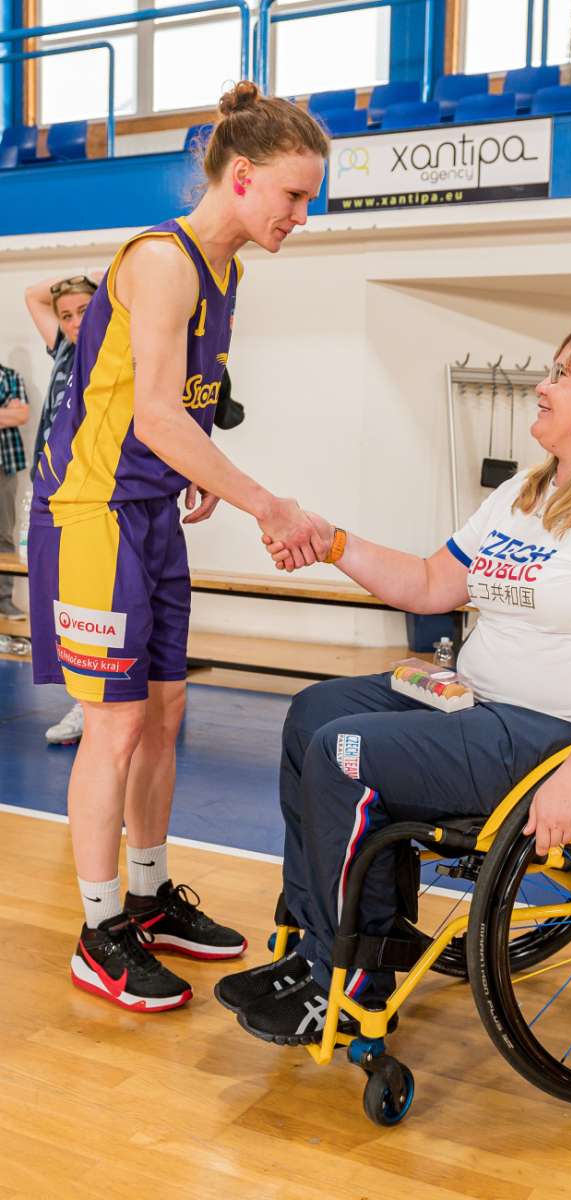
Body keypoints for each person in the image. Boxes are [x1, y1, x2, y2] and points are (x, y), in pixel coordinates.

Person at [216, 322, 571, 1046]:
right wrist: (332, 542)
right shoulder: (528, 491)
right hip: (479, 706)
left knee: (343, 751)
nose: (541, 386)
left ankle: (348, 980)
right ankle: (314, 942)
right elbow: (430, 584)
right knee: (313, 712)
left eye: (562, 375)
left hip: (561, 733)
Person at [27, 81, 330, 1012]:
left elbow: (175, 406)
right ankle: (98, 932)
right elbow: (155, 413)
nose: (301, 215)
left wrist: (196, 463)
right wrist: (265, 504)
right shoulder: (163, 260)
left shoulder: (227, 271)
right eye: (293, 194)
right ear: (241, 177)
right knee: (115, 725)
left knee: (164, 712)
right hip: (92, 511)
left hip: (150, 507)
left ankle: (149, 897)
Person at [25, 271, 102, 743]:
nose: (74, 323)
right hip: (51, 490)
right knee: (59, 598)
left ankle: (93, 706)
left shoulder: (111, 348)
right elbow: (32, 295)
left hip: (92, 494)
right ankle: (84, 699)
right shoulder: (64, 350)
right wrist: (79, 283)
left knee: (91, 599)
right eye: (67, 315)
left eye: (84, 311)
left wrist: (99, 282)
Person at [0, 358, 29, 619]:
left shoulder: (10, 376)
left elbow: (22, 415)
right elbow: (12, 414)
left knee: (5, 533)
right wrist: (5, 411)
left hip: (4, 467)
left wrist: (14, 413)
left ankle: (4, 600)